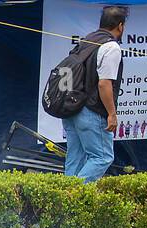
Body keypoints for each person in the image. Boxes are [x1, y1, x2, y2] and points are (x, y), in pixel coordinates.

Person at [61, 6, 126, 183]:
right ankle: (73, 194)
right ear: (120, 26)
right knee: (102, 157)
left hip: (72, 109)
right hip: (91, 111)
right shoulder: (111, 47)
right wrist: (112, 114)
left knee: (75, 158)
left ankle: (66, 204)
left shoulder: (86, 41)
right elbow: (104, 84)